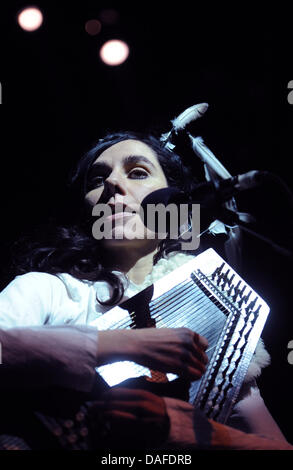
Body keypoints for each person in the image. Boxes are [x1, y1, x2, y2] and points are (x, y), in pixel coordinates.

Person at [0, 131, 292, 450]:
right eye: (97, 179)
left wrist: (202, 433)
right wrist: (128, 343)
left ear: (174, 205)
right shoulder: (49, 290)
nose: (112, 184)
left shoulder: (213, 310)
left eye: (137, 173)